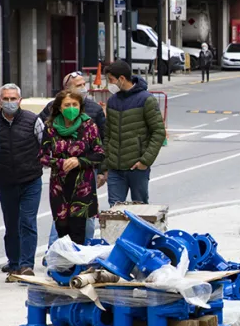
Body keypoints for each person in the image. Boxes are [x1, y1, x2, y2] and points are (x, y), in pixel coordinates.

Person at [40, 71, 105, 244]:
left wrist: (79, 161)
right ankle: (63, 265)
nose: (71, 109)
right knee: (62, 228)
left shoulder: (88, 125)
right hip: (59, 185)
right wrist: (60, 163)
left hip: (83, 184)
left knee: (79, 230)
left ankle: (78, 266)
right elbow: (42, 156)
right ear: (59, 107)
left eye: (75, 105)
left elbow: (99, 152)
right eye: (67, 105)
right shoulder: (51, 127)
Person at [0, 83, 44, 280]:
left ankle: (26, 265)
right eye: (5, 99)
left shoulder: (33, 121)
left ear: (20, 100)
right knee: (11, 224)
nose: (10, 102)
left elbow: (44, 145)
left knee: (28, 222)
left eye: (13, 99)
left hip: (30, 180)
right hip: (6, 182)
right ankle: (13, 263)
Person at [101, 60, 166, 204]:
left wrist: (145, 161)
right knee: (115, 212)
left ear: (122, 79)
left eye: (111, 80)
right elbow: (108, 136)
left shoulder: (146, 100)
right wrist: (105, 166)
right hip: (115, 169)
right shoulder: (112, 101)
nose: (109, 84)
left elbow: (158, 132)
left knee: (140, 210)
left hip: (137, 168)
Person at [39, 71, 106, 134]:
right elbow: (40, 126)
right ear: (67, 88)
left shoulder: (96, 108)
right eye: (78, 85)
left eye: (84, 84)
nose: (83, 88)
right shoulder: (52, 106)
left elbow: (102, 135)